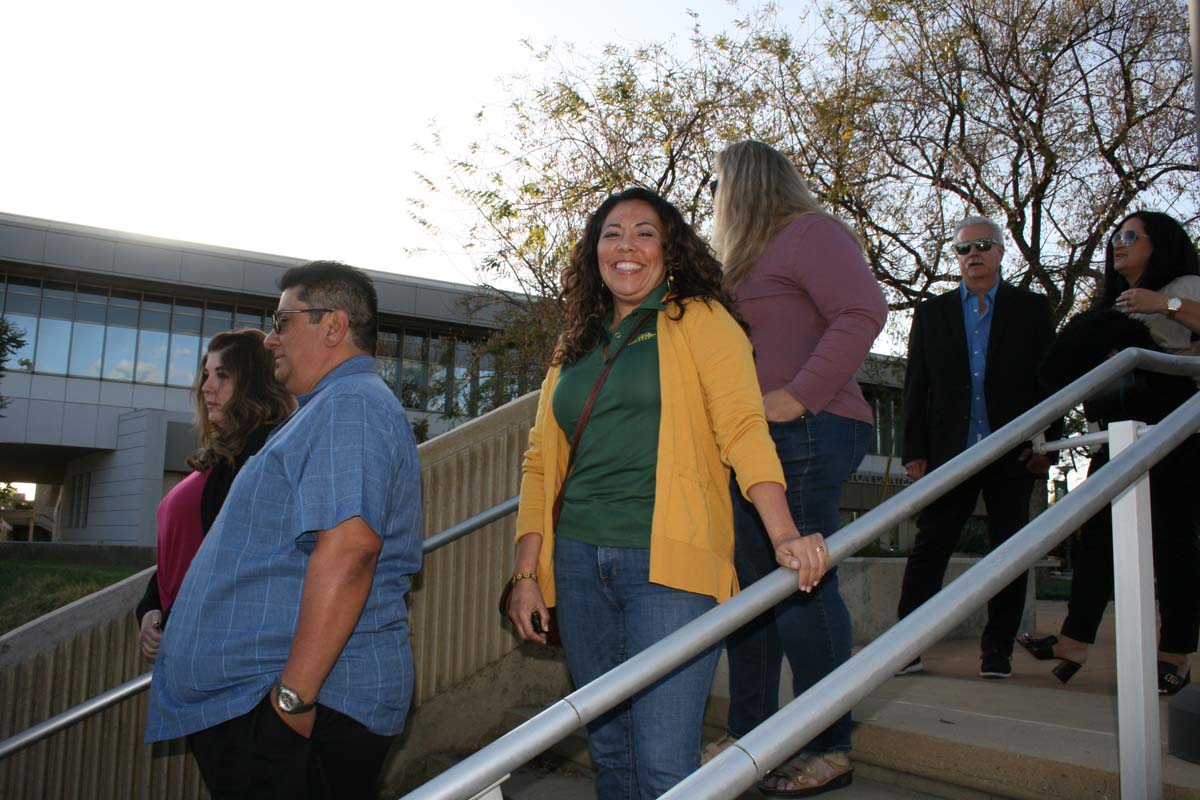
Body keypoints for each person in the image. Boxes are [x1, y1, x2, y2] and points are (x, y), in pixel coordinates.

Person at [505, 187, 824, 800]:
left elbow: (742, 428)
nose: (627, 246)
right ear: (594, 252)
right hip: (576, 564)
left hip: (670, 569)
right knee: (611, 753)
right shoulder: (574, 343)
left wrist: (784, 532)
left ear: (669, 248)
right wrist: (526, 573)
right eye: (612, 233)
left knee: (663, 765)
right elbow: (540, 462)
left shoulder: (700, 320)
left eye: (644, 232)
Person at [145, 261, 423, 799]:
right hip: (280, 701)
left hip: (303, 705)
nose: (271, 339)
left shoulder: (350, 408)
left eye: (283, 321)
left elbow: (350, 552)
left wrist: (291, 702)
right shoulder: (326, 410)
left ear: (334, 326)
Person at [705, 140, 887, 797]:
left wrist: (798, 394)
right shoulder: (739, 261)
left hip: (811, 427)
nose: (713, 198)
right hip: (753, 442)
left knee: (803, 585)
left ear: (745, 183)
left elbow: (864, 312)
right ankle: (752, 735)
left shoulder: (810, 234)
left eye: (717, 184)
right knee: (756, 596)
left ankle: (829, 744)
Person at [1021, 211, 1198, 693]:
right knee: (1094, 536)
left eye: (1129, 236)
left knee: (1173, 543)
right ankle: (1073, 640)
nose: (1117, 244)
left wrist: (1164, 303)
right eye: (1114, 237)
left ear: (1158, 243)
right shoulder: (1109, 305)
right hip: (1116, 431)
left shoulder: (1184, 283)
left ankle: (1175, 653)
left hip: (1173, 430)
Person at [898, 215, 1059, 680]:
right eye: (964, 249)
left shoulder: (1031, 309)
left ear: (1000, 252)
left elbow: (1050, 382)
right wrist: (915, 450)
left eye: (984, 246)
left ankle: (997, 652)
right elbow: (917, 387)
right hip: (952, 453)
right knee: (930, 550)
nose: (974, 256)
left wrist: (1048, 442)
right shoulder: (933, 314)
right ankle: (904, 648)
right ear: (956, 258)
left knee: (1010, 552)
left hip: (1014, 451)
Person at [134, 329, 294, 664]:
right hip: (184, 639)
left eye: (223, 375)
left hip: (216, 648)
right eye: (207, 374)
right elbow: (185, 549)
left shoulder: (262, 453)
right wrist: (151, 608)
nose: (206, 386)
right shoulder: (222, 453)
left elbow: (231, 558)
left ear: (252, 382)